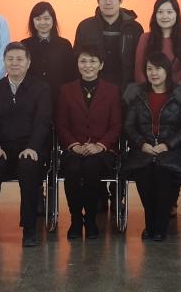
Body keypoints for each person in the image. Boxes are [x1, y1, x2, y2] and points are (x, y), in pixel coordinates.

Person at [0, 42, 53, 247]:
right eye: (10, 59)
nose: (14, 63)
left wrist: (33, 147)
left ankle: (29, 229)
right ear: (4, 62)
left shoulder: (41, 88)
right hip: (1, 148)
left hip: (30, 149)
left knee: (29, 168)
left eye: (19, 59)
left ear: (28, 63)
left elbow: (43, 121)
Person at [121, 52, 181, 242]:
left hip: (171, 151)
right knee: (145, 175)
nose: (153, 73)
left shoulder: (179, 96)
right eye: (149, 69)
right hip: (143, 151)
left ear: (167, 71)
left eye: (158, 68)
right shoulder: (138, 95)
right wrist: (142, 144)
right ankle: (150, 224)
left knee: (163, 175)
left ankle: (160, 226)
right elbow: (129, 126)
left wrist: (167, 145)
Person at [56, 45, 122, 240]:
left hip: (102, 150)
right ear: (77, 64)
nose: (88, 65)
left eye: (93, 61)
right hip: (73, 148)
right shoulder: (66, 90)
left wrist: (99, 145)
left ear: (101, 65)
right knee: (73, 169)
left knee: (91, 167)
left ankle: (91, 219)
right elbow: (61, 124)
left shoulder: (112, 90)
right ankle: (76, 219)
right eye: (83, 61)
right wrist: (74, 145)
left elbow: (116, 125)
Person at [74, 0, 144, 90]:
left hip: (126, 88)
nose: (108, 2)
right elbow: (77, 59)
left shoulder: (134, 28)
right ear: (98, 1)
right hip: (94, 87)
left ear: (121, 0)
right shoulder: (85, 27)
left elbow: (140, 62)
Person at [21, 1, 78, 105]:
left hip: (59, 99)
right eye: (38, 19)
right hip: (31, 99)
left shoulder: (64, 44)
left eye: (46, 18)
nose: (42, 22)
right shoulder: (25, 45)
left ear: (53, 20)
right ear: (32, 21)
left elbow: (71, 74)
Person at [134, 0, 181, 85]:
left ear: (177, 15)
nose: (164, 16)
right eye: (160, 12)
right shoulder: (145, 38)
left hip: (177, 92)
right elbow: (138, 71)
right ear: (155, 15)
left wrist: (177, 91)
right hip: (148, 91)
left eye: (169, 12)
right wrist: (149, 90)